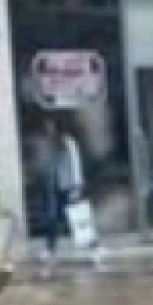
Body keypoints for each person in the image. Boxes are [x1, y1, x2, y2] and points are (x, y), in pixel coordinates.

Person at [27, 115, 87, 272]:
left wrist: (77, 185)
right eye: (46, 126)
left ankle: (92, 245)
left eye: (51, 126)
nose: (49, 129)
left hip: (68, 185)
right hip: (54, 186)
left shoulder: (68, 142)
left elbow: (75, 164)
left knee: (78, 218)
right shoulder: (48, 144)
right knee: (52, 218)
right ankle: (50, 249)